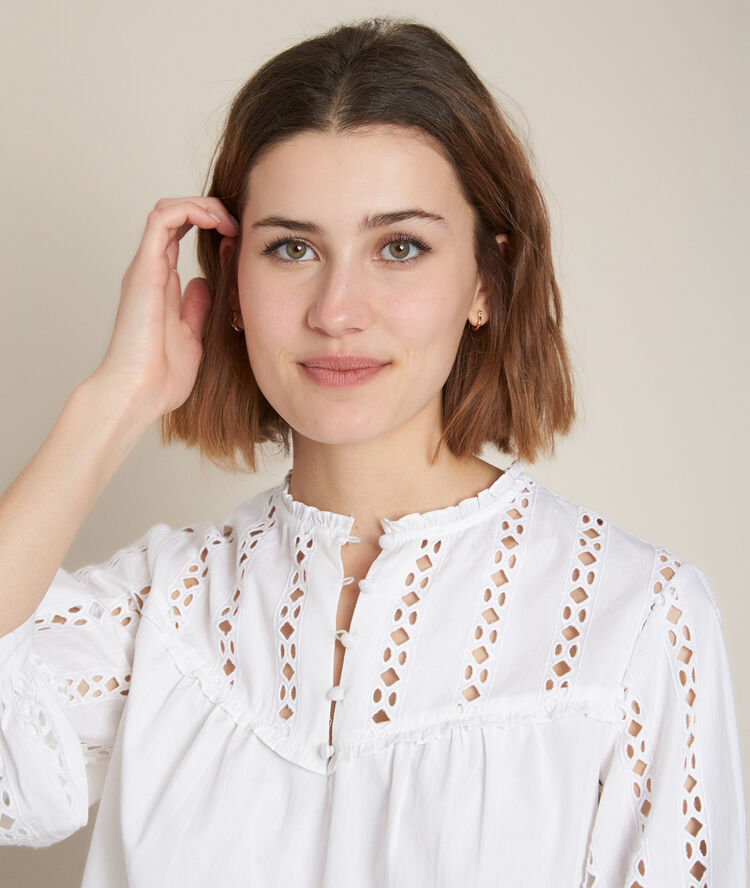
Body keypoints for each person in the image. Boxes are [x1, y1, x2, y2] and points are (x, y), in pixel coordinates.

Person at [0, 14, 745, 887]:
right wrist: (115, 400)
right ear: (231, 285)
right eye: (290, 247)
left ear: (484, 280)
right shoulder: (163, 609)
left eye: (400, 246)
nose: (337, 309)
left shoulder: (640, 620)